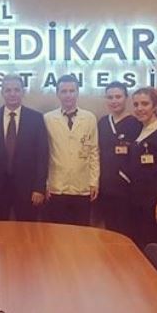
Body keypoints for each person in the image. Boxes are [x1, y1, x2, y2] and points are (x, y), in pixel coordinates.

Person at [0, 74, 49, 221]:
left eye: (16, 90)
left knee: (27, 231)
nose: (12, 94)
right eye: (8, 90)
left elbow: (42, 155)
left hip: (28, 189)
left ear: (23, 92)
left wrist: (39, 187)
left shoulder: (35, 118)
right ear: (2, 92)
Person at [44, 74, 100, 226]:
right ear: (57, 94)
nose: (68, 95)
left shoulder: (89, 118)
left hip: (82, 186)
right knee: (57, 232)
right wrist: (45, 183)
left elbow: (94, 151)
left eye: (71, 91)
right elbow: (44, 154)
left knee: (81, 231)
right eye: (64, 91)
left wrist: (94, 182)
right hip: (57, 186)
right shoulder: (48, 119)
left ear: (77, 92)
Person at [123, 87, 157, 248]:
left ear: (155, 106)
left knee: (152, 244)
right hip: (137, 199)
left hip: (154, 201)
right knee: (138, 244)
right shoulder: (139, 130)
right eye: (136, 104)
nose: (140, 108)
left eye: (145, 104)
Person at [97, 82, 142, 236]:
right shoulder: (103, 122)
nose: (114, 101)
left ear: (126, 98)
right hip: (105, 186)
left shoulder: (136, 123)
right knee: (109, 231)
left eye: (118, 96)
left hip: (127, 188)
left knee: (127, 232)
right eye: (110, 97)